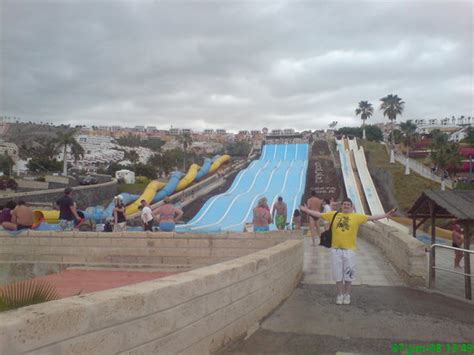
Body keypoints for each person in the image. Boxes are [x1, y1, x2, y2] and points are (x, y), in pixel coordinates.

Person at [300, 198, 396, 305]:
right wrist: (307, 211)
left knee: (348, 275)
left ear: (351, 206)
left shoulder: (356, 217)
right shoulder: (334, 215)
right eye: (344, 204)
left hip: (349, 251)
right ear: (342, 206)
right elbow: (319, 214)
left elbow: (371, 217)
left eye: (348, 204)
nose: (346, 206)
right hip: (336, 250)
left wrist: (385, 215)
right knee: (338, 275)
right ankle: (340, 294)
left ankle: (347, 295)